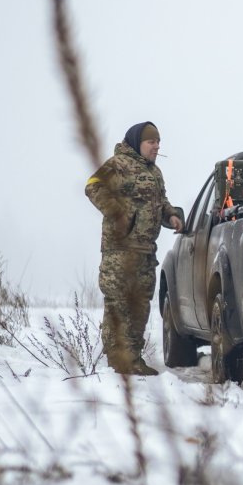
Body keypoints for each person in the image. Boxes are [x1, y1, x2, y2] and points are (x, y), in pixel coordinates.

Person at [85, 121, 184, 374]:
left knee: (139, 306)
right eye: (152, 141)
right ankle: (117, 363)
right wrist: (119, 213)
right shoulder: (118, 164)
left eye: (158, 141)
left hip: (145, 252)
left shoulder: (155, 172)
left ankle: (133, 359)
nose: (157, 146)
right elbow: (93, 186)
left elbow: (161, 201)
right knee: (119, 305)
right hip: (120, 251)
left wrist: (171, 215)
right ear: (138, 143)